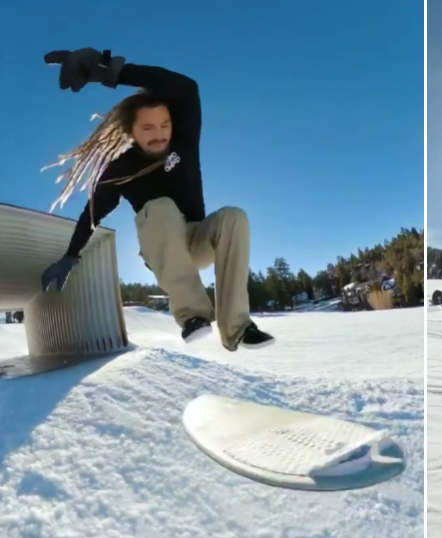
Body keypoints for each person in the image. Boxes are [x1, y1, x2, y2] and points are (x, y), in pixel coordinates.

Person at [38, 48, 274, 352]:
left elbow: (187, 87)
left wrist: (111, 71)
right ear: (131, 131)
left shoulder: (183, 140)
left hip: (197, 241)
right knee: (160, 207)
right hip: (161, 251)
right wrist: (71, 255)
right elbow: (92, 213)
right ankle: (193, 315)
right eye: (148, 128)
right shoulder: (121, 168)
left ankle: (237, 328)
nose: (160, 135)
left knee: (234, 216)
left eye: (164, 125)